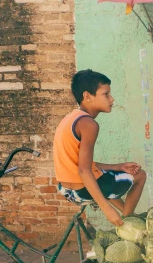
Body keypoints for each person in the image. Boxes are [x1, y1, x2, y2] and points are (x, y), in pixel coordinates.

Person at [53, 69, 146, 227]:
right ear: (87, 96)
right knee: (140, 175)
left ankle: (127, 215)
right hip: (81, 190)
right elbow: (84, 170)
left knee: (108, 178)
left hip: (66, 188)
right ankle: (127, 223)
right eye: (106, 94)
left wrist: (119, 167)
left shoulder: (71, 118)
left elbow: (82, 164)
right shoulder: (89, 124)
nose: (112, 99)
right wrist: (107, 210)